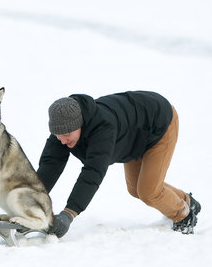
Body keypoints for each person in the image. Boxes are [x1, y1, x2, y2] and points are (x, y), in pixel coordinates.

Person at [37, 91, 201, 238]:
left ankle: (184, 214)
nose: (62, 140)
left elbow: (92, 173)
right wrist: (30, 200)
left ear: (80, 124)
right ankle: (187, 200)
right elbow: (50, 164)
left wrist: (68, 214)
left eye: (67, 135)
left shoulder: (103, 129)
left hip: (159, 124)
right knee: (136, 189)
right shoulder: (62, 128)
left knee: (149, 191)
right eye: (58, 135)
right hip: (134, 135)